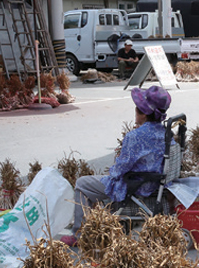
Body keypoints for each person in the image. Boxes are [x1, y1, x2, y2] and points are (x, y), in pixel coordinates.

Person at [61, 86, 171, 246]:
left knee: (82, 184)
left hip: (136, 185)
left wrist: (111, 173)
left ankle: (79, 234)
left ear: (143, 112)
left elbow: (120, 169)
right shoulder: (165, 133)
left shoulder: (136, 136)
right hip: (155, 183)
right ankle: (94, 226)